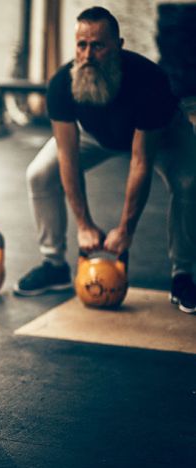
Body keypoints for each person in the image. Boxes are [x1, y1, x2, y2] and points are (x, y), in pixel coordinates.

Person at [13, 7, 196, 314]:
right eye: (81, 45)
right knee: (41, 173)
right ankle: (54, 263)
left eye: (98, 45)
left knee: (190, 182)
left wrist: (126, 229)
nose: (88, 54)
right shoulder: (62, 84)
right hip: (96, 136)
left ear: (118, 46)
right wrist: (83, 225)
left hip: (162, 135)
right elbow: (67, 157)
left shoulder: (148, 81)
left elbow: (141, 162)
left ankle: (183, 274)